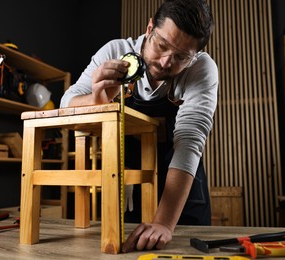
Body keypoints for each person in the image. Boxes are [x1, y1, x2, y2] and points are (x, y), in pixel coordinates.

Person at [60, 0, 218, 252]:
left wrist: (165, 223)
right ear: (149, 29)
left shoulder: (201, 68)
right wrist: (95, 101)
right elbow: (66, 102)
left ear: (195, 55)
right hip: (132, 181)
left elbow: (190, 140)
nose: (166, 62)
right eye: (162, 46)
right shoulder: (116, 50)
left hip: (180, 185)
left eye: (180, 57)